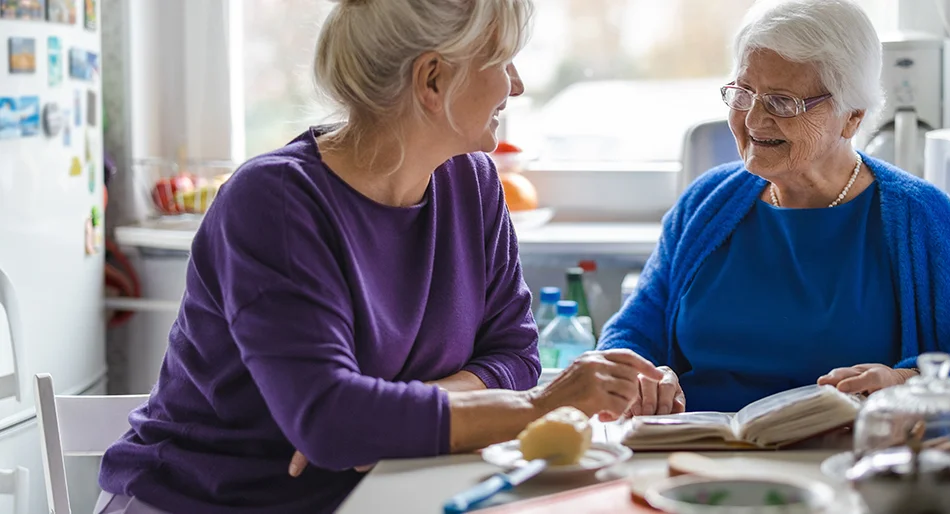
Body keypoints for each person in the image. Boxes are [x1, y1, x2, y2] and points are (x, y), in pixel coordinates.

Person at [95, 1, 662, 512]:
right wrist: (540, 405)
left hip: (369, 492)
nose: (515, 85)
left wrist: (387, 419)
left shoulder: (474, 183)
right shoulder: (275, 202)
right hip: (206, 502)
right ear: (432, 80)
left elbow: (513, 353)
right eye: (502, 60)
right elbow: (331, 420)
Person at [599, 0, 950, 416]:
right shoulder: (706, 204)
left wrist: (910, 384)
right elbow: (630, 336)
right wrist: (642, 379)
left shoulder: (917, 216)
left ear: (852, 116)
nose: (755, 119)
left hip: (843, 473)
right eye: (743, 93)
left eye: (783, 102)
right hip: (695, 461)